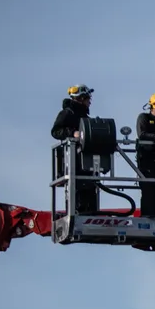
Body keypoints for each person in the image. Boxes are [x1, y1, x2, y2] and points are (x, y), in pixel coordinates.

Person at [51, 85, 97, 214]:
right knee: (76, 193)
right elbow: (56, 131)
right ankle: (76, 212)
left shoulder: (85, 117)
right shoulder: (67, 113)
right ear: (81, 98)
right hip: (73, 162)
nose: (90, 102)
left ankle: (90, 213)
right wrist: (73, 133)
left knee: (89, 191)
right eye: (88, 99)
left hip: (87, 163)